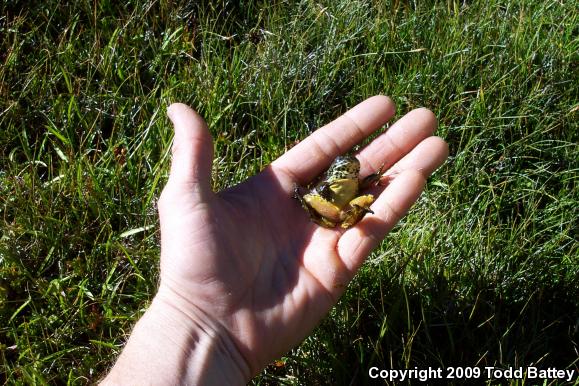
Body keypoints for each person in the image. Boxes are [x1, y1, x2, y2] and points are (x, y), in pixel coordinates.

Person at [100, 96, 448, 385]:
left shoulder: (348, 181)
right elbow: (323, 193)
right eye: (346, 169)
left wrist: (193, 321)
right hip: (324, 208)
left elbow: (343, 191)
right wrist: (192, 313)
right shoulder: (333, 182)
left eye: (351, 170)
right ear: (338, 171)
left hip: (331, 210)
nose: (349, 171)